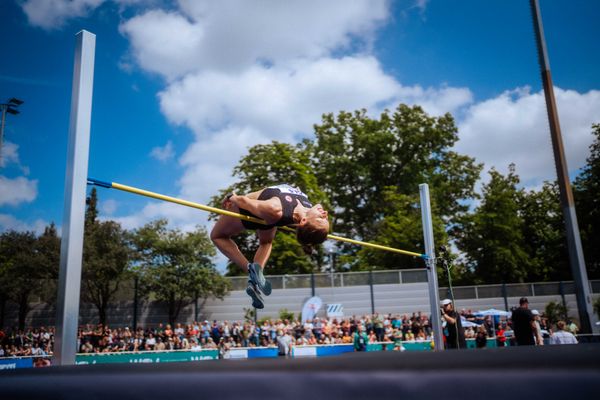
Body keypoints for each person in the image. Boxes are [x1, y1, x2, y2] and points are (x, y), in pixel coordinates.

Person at [210, 184, 329, 309]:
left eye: (322, 218)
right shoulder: (307, 208)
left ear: (304, 221)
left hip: (250, 209)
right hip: (270, 214)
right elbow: (319, 209)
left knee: (218, 236)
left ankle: (250, 269)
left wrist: (230, 197)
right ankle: (254, 281)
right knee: (266, 242)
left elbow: (243, 201)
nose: (325, 213)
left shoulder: (275, 209)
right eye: (326, 218)